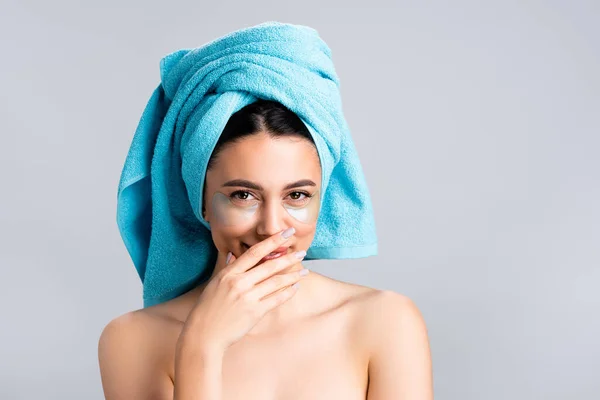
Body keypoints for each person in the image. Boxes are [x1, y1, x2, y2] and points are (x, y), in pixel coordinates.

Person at [98, 99, 433, 399]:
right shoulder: (132, 340)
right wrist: (201, 347)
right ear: (201, 202)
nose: (272, 227)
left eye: (297, 196)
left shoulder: (385, 321)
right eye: (243, 195)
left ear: (321, 203)